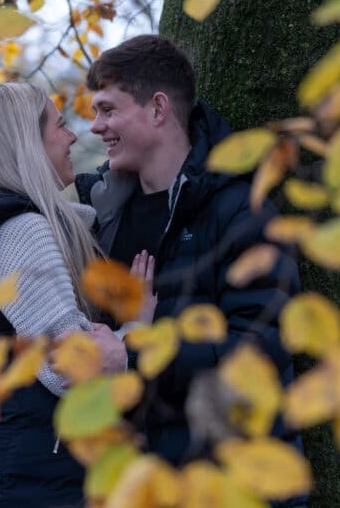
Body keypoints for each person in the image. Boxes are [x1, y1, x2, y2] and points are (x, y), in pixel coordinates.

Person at [75, 35, 303, 475]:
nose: (95, 127)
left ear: (158, 109)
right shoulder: (101, 222)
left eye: (108, 110)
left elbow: (257, 361)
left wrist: (136, 352)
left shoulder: (240, 214)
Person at [0, 82, 145, 508]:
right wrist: (141, 331)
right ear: (27, 142)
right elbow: (71, 365)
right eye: (61, 125)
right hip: (14, 488)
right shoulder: (20, 231)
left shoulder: (10, 226)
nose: (73, 137)